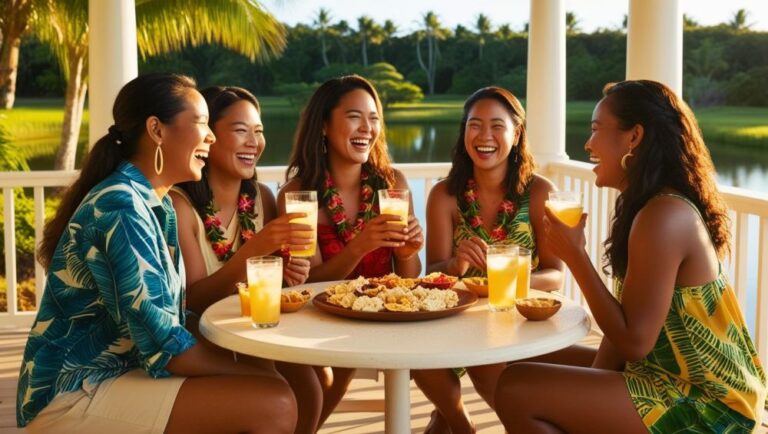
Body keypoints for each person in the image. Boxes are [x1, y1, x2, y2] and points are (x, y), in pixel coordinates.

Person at [17, 74, 296, 433]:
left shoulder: (155, 205)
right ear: (157, 130)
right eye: (200, 123)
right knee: (275, 403)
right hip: (72, 393)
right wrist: (254, 371)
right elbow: (167, 348)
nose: (210, 135)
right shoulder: (121, 206)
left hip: (123, 373)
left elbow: (174, 316)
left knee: (268, 382)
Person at [494, 79, 767, 433]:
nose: (588, 143)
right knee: (521, 356)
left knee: (516, 389)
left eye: (596, 130)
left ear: (634, 137)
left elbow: (634, 342)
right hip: (661, 373)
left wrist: (575, 256)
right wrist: (585, 393)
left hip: (708, 404)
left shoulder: (664, 215)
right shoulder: (644, 206)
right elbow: (626, 321)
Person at [412, 86, 565, 433]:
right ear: (464, 131)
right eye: (474, 125)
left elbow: (555, 275)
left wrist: (507, 284)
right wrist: (455, 266)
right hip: (460, 317)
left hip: (522, 320)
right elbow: (432, 273)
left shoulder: (540, 192)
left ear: (516, 133)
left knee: (486, 365)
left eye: (497, 126)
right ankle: (458, 423)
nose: (484, 136)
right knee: (419, 353)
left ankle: (449, 421)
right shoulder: (444, 195)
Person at [170, 86, 320, 433]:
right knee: (287, 390)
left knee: (312, 384)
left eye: (259, 131)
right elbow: (195, 299)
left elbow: (267, 280)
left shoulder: (261, 197)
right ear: (208, 136)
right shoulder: (180, 207)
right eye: (240, 131)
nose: (254, 142)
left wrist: (288, 272)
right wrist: (256, 249)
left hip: (256, 329)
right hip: (203, 342)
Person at [280, 74, 424, 426]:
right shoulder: (299, 195)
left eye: (374, 118)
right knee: (322, 381)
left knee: (337, 376)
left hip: (382, 315)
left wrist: (407, 252)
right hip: (318, 319)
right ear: (325, 125)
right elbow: (306, 284)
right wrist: (360, 246)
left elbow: (409, 277)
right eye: (354, 116)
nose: (367, 127)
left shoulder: (392, 185)